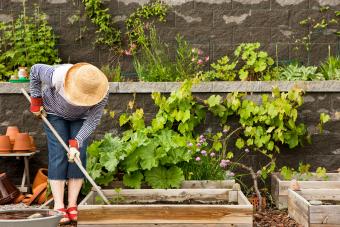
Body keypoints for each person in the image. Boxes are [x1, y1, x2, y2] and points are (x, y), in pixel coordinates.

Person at [29, 63, 109, 224]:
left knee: (78, 156)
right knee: (58, 152)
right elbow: (35, 71)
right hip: (53, 112)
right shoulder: (58, 76)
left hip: (82, 118)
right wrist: (36, 101)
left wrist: (76, 143)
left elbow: (93, 120)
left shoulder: (101, 91)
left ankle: (72, 205)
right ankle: (59, 205)